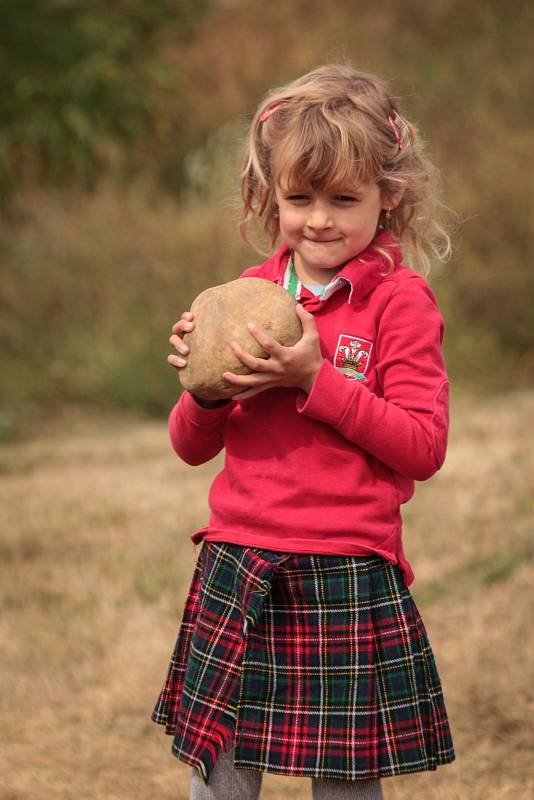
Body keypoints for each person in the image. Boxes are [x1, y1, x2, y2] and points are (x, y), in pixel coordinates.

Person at [152, 64, 455, 800]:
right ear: (270, 196)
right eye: (299, 199)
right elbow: (190, 446)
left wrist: (315, 384)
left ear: (391, 195)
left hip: (345, 569)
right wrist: (205, 383)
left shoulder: (400, 303)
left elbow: (423, 445)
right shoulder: (247, 296)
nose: (319, 219)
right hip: (240, 562)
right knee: (221, 773)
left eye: (344, 199)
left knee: (344, 784)